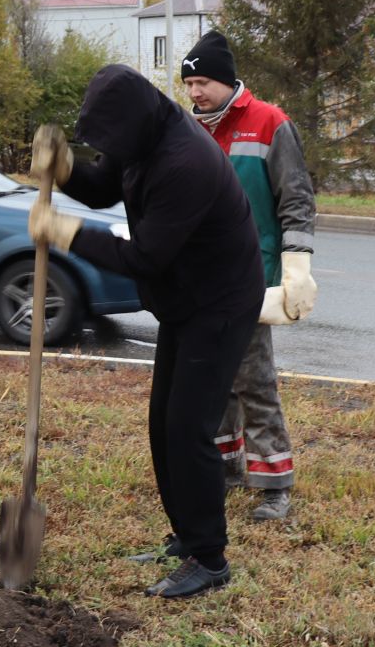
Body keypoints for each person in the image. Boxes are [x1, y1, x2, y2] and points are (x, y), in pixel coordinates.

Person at [24, 64, 259, 599]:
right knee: (163, 424)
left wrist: (68, 233)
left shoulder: (186, 162)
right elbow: (106, 187)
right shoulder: (141, 131)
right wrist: (65, 170)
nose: (111, 150)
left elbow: (147, 256)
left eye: (110, 142)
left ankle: (210, 558)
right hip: (185, 298)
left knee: (188, 428)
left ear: (135, 122)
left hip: (219, 303)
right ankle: (186, 535)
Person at [180, 30, 317, 521]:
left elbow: (296, 199)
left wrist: (297, 262)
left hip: (252, 279)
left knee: (254, 381)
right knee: (210, 379)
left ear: (227, 80)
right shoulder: (188, 129)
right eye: (189, 83)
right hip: (200, 281)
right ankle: (225, 467)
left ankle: (274, 484)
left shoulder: (269, 124)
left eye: (203, 82)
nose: (195, 93)